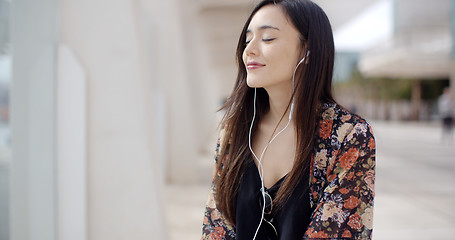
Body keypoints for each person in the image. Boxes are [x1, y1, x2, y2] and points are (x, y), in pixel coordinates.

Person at [202, 0, 376, 239]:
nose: (249, 50)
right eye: (247, 40)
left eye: (267, 38)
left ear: (307, 50)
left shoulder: (348, 135)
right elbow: (215, 228)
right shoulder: (234, 132)